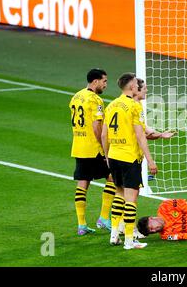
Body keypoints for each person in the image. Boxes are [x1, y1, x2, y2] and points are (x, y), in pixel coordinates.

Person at [102, 73, 158, 250]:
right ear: (131, 87)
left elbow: (104, 135)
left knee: (119, 194)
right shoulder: (134, 106)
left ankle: (114, 236)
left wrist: (107, 156)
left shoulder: (111, 105)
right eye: (135, 83)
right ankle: (128, 241)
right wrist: (150, 160)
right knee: (131, 199)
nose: (137, 86)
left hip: (114, 156)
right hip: (129, 157)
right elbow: (141, 136)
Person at [69, 68, 116, 236]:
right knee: (112, 177)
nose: (105, 85)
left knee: (83, 184)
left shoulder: (76, 96)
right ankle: (104, 217)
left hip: (79, 146)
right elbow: (97, 127)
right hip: (94, 148)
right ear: (95, 81)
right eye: (104, 81)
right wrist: (104, 148)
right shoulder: (96, 100)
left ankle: (81, 225)